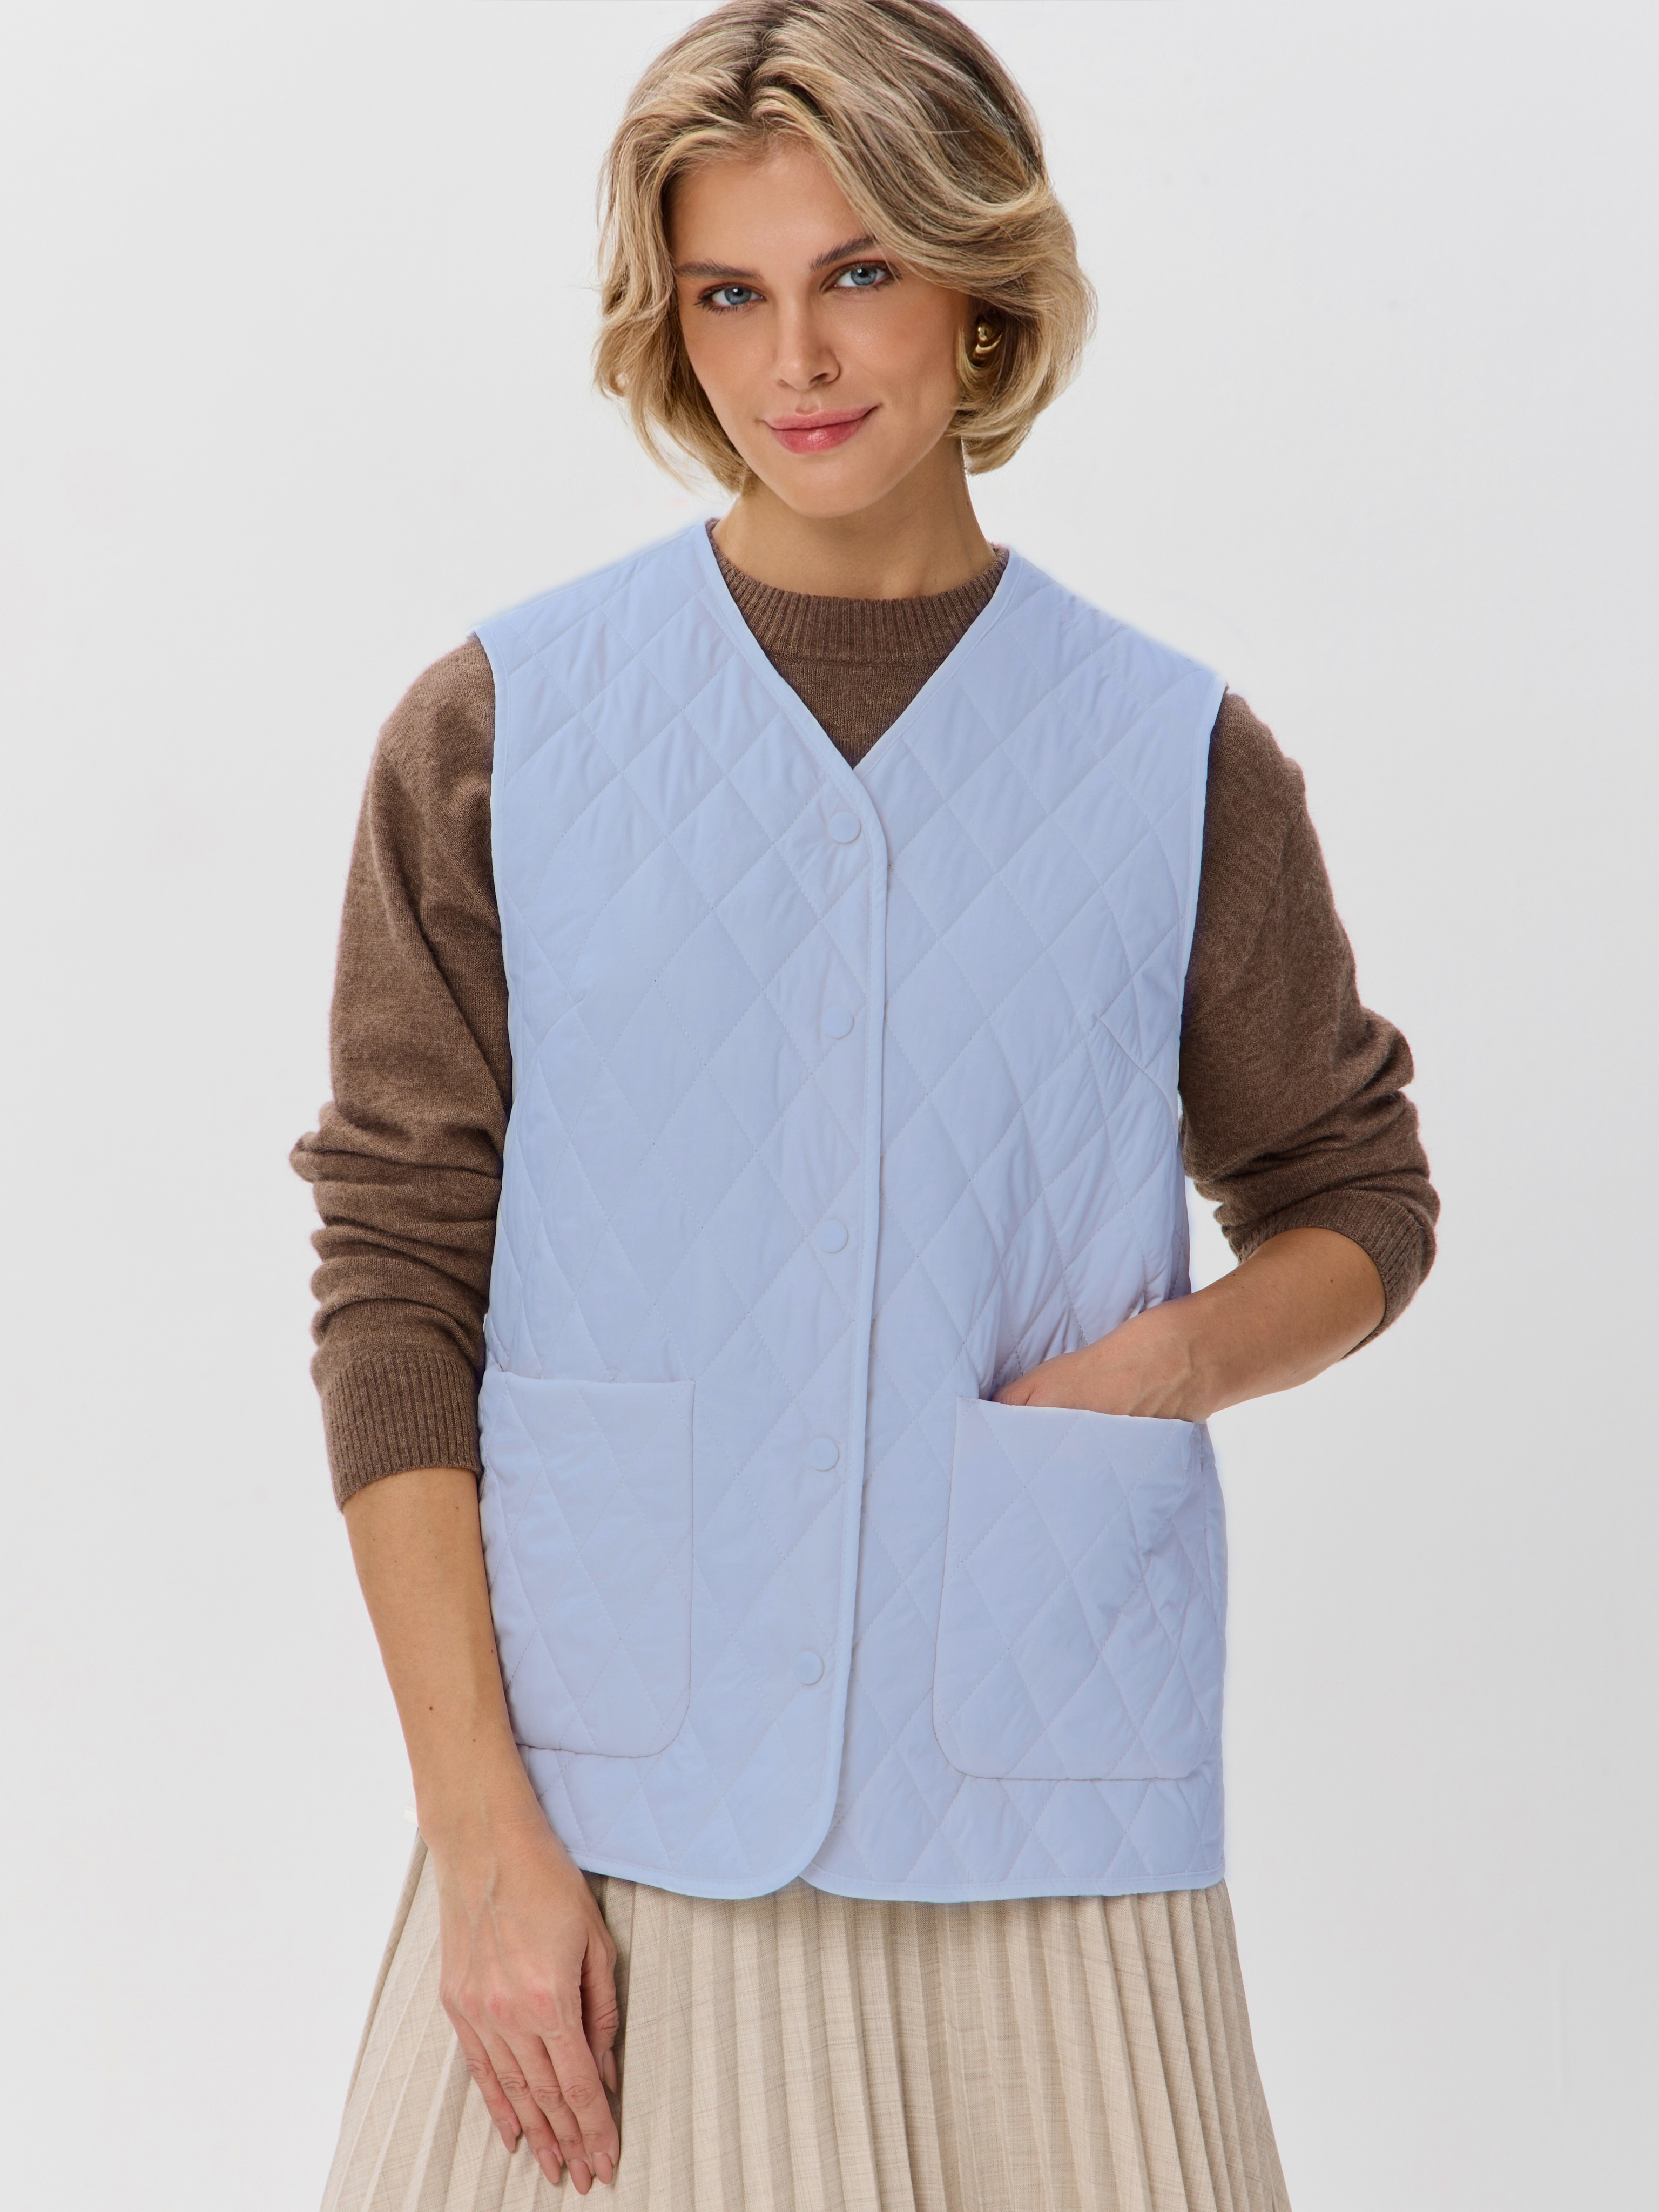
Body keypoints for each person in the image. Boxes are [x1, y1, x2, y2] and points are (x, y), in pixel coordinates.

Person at [291, 4, 1439, 2206]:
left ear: (981, 286)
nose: (796, 360)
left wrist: (1170, 1366)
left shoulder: (1173, 756)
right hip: (609, 1826)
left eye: (860, 274)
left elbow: (1356, 1194)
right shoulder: (497, 730)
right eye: (728, 293)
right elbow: (395, 1285)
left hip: (1053, 1803)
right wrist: (480, 1833)